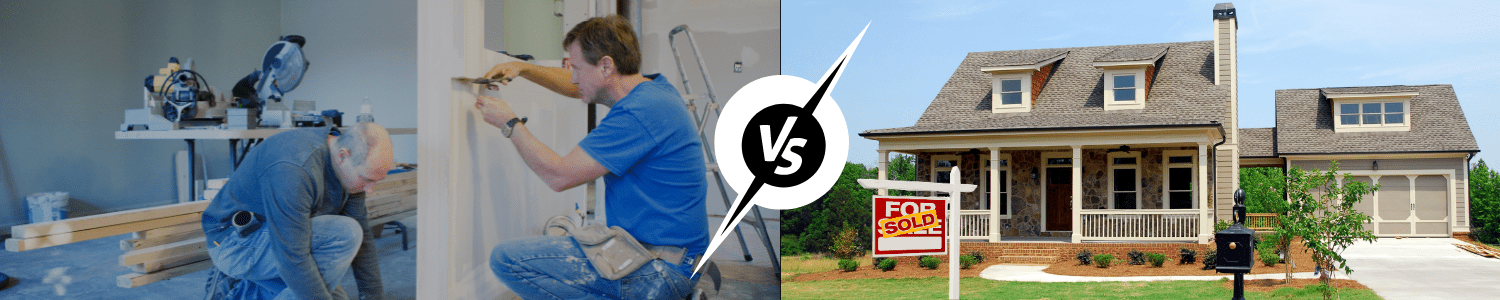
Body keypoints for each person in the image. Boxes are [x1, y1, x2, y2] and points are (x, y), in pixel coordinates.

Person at [474, 15, 708, 299]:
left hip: (659, 270)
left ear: (606, 65)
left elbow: (558, 176)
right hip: (670, 256)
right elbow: (582, 86)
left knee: (506, 259)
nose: (572, 77)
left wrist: (509, 123)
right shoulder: (652, 91)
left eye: (576, 68)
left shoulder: (638, 112)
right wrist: (523, 68)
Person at [201, 122, 394, 300]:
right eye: (368, 179)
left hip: (281, 240)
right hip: (235, 245)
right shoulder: (294, 167)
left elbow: (364, 243)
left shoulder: (350, 173)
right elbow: (292, 257)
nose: (370, 189)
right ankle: (239, 282)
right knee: (346, 233)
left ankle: (242, 291)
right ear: (344, 155)